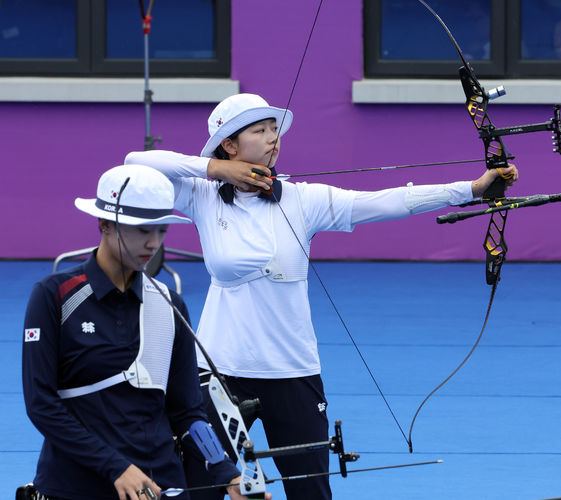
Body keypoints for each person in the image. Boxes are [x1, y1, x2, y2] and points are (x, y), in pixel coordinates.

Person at [125, 93, 519, 500]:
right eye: (259, 131)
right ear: (229, 144)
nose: (273, 138)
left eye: (274, 128)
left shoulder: (303, 200)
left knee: (311, 492)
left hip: (292, 371)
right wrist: (215, 169)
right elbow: (134, 164)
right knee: (200, 489)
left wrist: (471, 189)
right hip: (220, 370)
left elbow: (386, 201)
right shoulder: (201, 195)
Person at [21, 164, 265, 500]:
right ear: (104, 224)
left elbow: (187, 412)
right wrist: (114, 467)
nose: (153, 243)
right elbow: (41, 404)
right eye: (141, 230)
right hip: (75, 485)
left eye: (161, 230)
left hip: (161, 484)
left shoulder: (170, 304)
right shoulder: (54, 295)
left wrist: (225, 473)